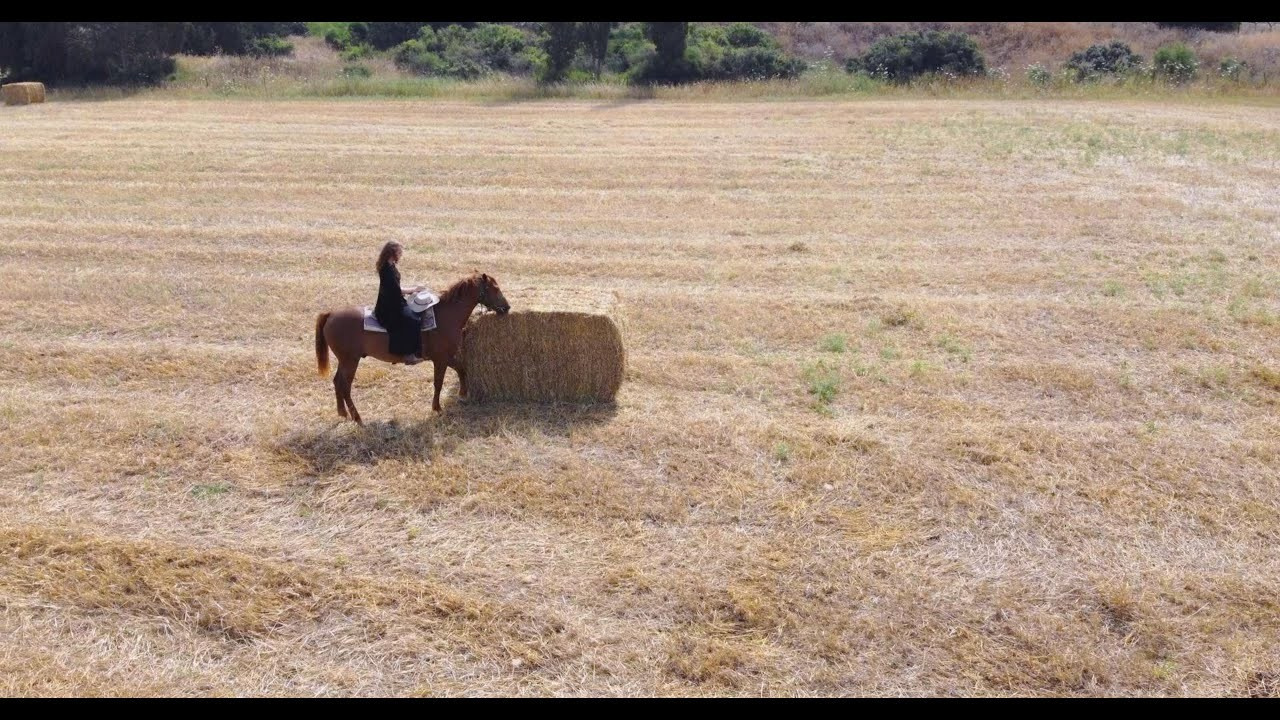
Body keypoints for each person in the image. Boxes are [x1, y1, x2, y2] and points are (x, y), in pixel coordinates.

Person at [373, 241, 425, 365]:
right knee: (413, 319)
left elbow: (396, 288)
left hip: (394, 301)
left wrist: (413, 290)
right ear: (392, 253)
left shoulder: (390, 265)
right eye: (399, 252)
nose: (401, 255)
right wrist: (414, 289)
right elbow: (396, 290)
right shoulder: (387, 270)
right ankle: (408, 354)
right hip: (390, 307)